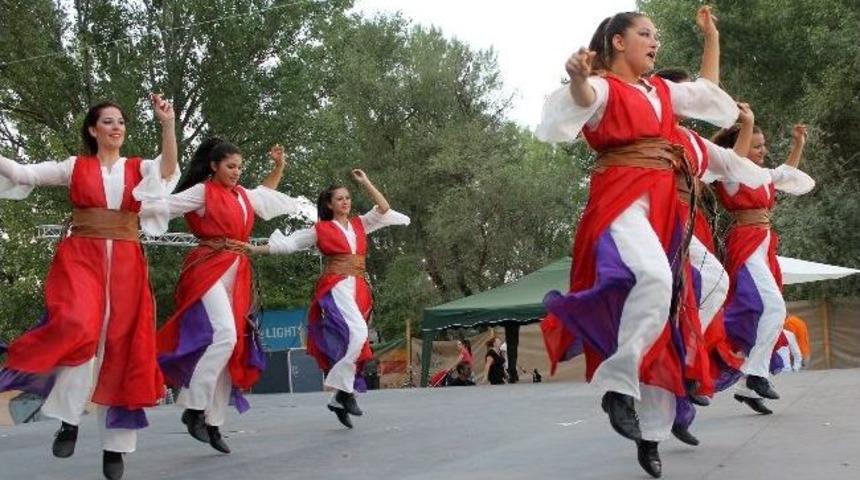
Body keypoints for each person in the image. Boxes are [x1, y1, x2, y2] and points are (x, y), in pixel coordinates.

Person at [536, 9, 741, 477]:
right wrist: (577, 79)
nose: (655, 42)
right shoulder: (605, 86)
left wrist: (712, 36)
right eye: (645, 34)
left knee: (697, 288)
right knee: (652, 277)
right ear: (617, 41)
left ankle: (671, 388)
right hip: (622, 197)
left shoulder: (663, 91)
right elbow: (584, 97)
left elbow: (708, 92)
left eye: (657, 36)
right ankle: (618, 386)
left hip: (665, 204)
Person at [0, 94, 179, 480]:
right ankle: (68, 418)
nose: (117, 127)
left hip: (128, 261)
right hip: (81, 256)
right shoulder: (74, 166)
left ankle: (115, 448)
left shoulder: (138, 167)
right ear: (93, 129)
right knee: (81, 328)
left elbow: (167, 169)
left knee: (123, 345)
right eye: (109, 121)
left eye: (121, 122)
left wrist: (167, 124)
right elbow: (24, 174)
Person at [153, 138, 299, 454]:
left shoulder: (244, 197)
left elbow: (267, 196)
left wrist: (279, 167)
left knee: (229, 345)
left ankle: (214, 421)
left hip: (237, 271)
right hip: (207, 267)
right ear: (214, 166)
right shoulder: (202, 192)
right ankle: (194, 408)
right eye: (230, 166)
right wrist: (126, 205)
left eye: (239, 167)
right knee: (226, 335)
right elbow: (164, 206)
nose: (236, 172)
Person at [262, 169, 410, 428]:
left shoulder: (359, 224)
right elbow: (290, 244)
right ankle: (343, 390)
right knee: (358, 332)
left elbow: (384, 208)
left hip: (359, 288)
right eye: (339, 199)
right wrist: (256, 248)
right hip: (336, 285)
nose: (345, 202)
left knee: (354, 338)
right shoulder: (320, 229)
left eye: (348, 198)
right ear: (329, 204)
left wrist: (366, 182)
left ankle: (339, 396)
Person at [711, 114, 815, 416]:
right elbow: (737, 158)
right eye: (756, 146)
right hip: (746, 245)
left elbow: (786, 172)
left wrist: (798, 144)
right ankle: (755, 374)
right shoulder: (731, 174)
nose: (762, 150)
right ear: (742, 146)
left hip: (764, 244)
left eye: (763, 145)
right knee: (774, 308)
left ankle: (746, 385)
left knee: (762, 314)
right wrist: (744, 125)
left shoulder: (762, 175)